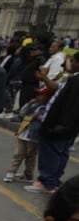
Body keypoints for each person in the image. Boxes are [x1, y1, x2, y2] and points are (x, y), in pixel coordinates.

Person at [27, 62, 79, 195]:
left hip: (59, 125)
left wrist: (59, 126)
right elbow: (57, 88)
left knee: (51, 153)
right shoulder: (71, 78)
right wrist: (44, 78)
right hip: (65, 127)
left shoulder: (76, 81)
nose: (69, 63)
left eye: (72, 60)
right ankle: (53, 181)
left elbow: (71, 106)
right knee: (60, 153)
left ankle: (48, 182)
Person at [4, 86, 52, 183]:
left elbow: (48, 120)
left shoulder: (48, 108)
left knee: (30, 156)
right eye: (38, 94)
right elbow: (22, 113)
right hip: (23, 132)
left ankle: (28, 174)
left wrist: (38, 117)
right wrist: (30, 103)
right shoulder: (34, 105)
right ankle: (11, 172)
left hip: (34, 136)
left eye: (41, 95)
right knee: (18, 154)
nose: (38, 97)